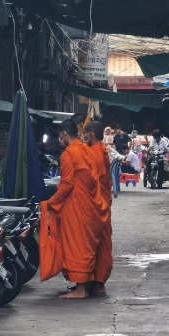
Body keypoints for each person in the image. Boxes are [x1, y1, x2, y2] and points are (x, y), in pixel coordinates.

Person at [39, 120, 107, 299]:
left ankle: (80, 289)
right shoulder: (86, 150)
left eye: (60, 134)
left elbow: (67, 183)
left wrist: (51, 202)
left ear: (63, 133)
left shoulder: (68, 154)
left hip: (75, 205)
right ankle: (83, 285)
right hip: (89, 204)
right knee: (84, 245)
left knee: (76, 245)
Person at [83, 121, 113, 295]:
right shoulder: (100, 150)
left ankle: (98, 282)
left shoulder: (95, 154)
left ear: (91, 135)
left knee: (98, 241)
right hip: (101, 199)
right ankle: (94, 280)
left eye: (85, 133)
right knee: (100, 241)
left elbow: (90, 180)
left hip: (97, 202)